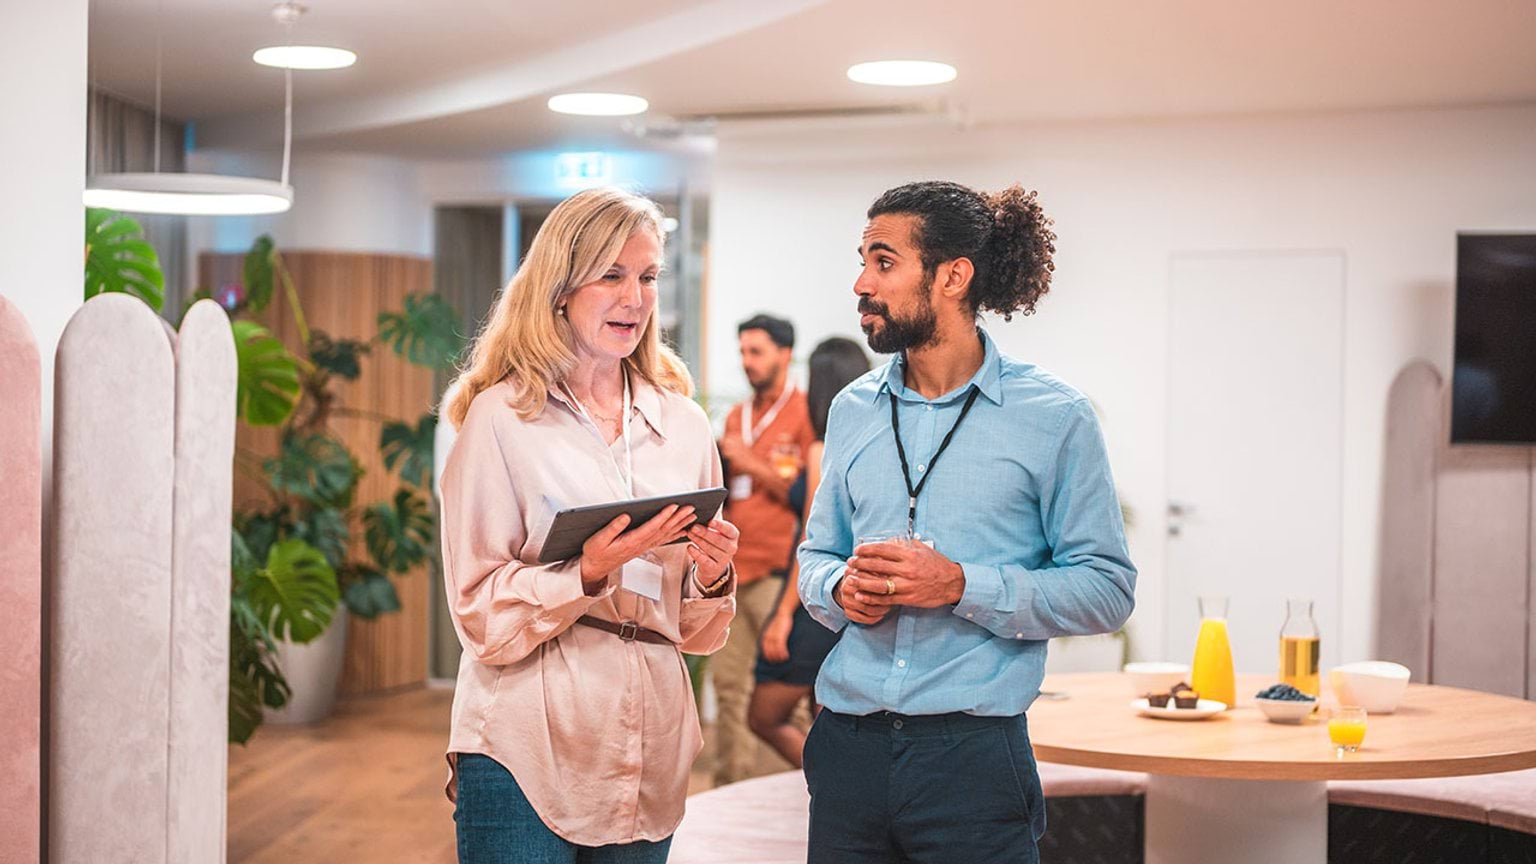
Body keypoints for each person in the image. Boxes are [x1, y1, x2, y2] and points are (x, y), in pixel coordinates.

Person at [797, 180, 1137, 863]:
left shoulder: (1054, 417)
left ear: (953, 276)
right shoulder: (853, 410)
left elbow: (1107, 588)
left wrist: (959, 585)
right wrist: (837, 589)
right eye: (863, 259)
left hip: (973, 761)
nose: (863, 282)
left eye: (884, 261)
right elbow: (816, 556)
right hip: (846, 750)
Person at [439, 186, 739, 864]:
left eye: (648, 276)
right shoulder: (502, 418)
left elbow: (694, 634)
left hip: (649, 742)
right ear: (560, 287)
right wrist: (589, 572)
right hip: (525, 737)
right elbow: (478, 610)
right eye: (612, 275)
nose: (635, 298)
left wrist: (710, 573)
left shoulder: (683, 425)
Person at [748, 336, 870, 767]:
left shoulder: (823, 448)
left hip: (816, 595)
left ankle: (836, 784)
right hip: (851, 593)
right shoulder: (873, 443)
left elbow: (812, 539)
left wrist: (782, 617)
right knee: (827, 711)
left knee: (764, 714)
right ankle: (841, 788)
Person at [712, 314, 817, 785]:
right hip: (733, 573)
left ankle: (784, 806)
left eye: (756, 352)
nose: (747, 362)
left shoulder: (806, 414)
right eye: (742, 352)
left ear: (784, 354)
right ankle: (729, 797)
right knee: (730, 691)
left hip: (780, 576)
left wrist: (747, 460)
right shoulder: (738, 416)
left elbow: (802, 494)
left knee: (782, 702)